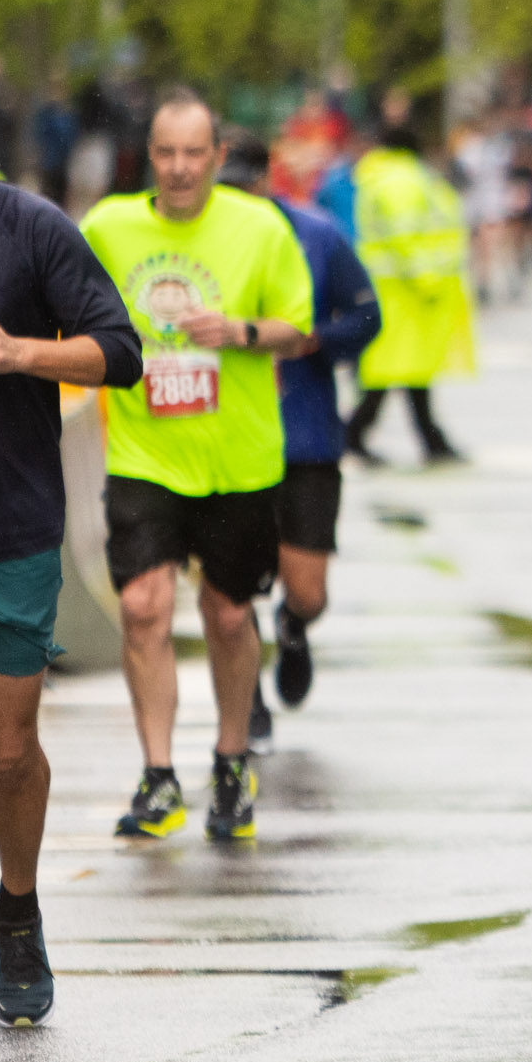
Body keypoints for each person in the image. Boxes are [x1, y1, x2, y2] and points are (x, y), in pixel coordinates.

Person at [0, 71, 141, 1037]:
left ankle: (18, 910)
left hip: (7, 526)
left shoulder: (34, 229)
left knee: (6, 755)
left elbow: (119, 351)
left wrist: (22, 353)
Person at [83, 91, 313, 845]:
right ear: (147, 157)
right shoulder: (110, 226)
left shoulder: (260, 227)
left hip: (239, 460)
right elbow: (63, 300)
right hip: (145, 454)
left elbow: (299, 330)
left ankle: (230, 756)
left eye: (193, 154)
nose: (179, 169)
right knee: (145, 607)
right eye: (165, 154)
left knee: (226, 612)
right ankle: (158, 775)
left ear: (218, 157)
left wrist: (239, 329)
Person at [220, 132, 381, 727]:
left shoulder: (315, 235)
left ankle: (292, 627)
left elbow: (368, 314)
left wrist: (317, 340)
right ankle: (246, 697)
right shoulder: (199, 248)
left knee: (308, 590)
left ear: (266, 181)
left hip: (304, 436)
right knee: (233, 594)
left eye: (243, 186)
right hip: (226, 440)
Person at [346, 121, 475, 465]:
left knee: (408, 369)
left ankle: (428, 437)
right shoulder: (401, 180)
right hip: (406, 295)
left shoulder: (388, 178)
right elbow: (405, 238)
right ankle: (355, 434)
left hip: (400, 293)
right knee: (391, 369)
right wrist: (427, 280)